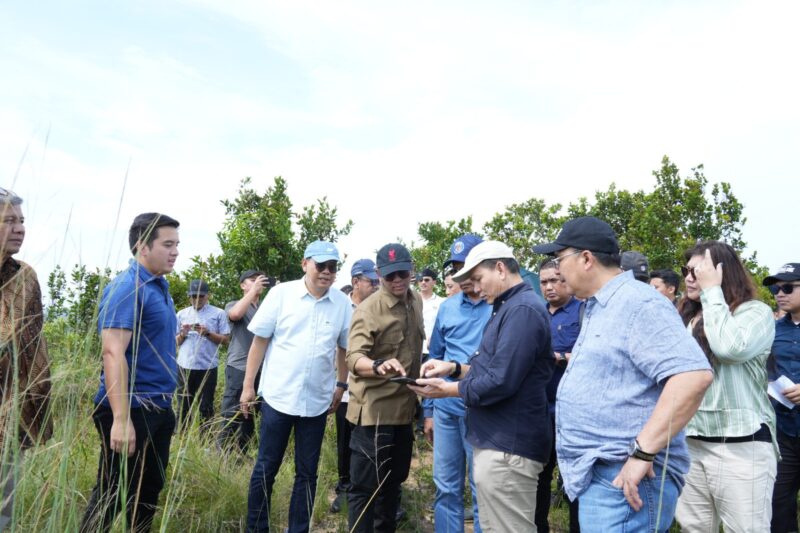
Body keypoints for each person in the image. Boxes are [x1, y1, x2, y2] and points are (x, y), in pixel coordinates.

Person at [532, 216, 712, 533]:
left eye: (560, 260)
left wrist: (643, 453)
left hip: (627, 479)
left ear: (586, 258)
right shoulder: (598, 306)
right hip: (607, 476)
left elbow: (692, 376)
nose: (557, 270)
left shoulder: (638, 303)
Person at [412, 240, 554, 532]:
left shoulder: (522, 310)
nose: (476, 288)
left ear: (500, 268)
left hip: (509, 445)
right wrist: (453, 368)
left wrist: (448, 389)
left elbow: (500, 380)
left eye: (478, 279)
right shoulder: (508, 307)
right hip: (496, 440)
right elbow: (492, 368)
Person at [240, 240, 352, 533]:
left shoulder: (342, 304)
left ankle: (298, 529)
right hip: (279, 397)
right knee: (266, 468)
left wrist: (341, 384)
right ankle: (256, 528)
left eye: (333, 267)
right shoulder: (281, 294)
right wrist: (248, 386)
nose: (327, 273)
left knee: (307, 474)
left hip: (316, 403)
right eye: (321, 266)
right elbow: (260, 341)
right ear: (305, 264)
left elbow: (343, 347)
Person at [80, 212, 181, 533]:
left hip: (158, 407)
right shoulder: (127, 287)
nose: (175, 251)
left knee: (147, 493)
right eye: (167, 244)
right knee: (112, 494)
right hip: (130, 409)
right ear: (142, 246)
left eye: (177, 244)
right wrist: (122, 421)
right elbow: (113, 352)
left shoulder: (158, 286)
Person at [674, 241, 778, 532]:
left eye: (699, 271)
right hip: (691, 442)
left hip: (741, 445)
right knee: (693, 528)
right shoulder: (686, 315)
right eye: (687, 270)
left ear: (722, 274)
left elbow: (729, 349)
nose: (690, 277)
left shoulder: (755, 313)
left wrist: (712, 293)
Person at [345, 243, 424, 533]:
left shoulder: (416, 301)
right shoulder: (368, 310)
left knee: (393, 484)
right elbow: (353, 357)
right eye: (390, 276)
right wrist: (377, 365)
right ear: (379, 275)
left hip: (404, 412)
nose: (397, 281)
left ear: (411, 270)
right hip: (375, 416)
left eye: (402, 273)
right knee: (365, 490)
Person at [422, 235, 490, 532]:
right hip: (446, 410)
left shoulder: (499, 305)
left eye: (467, 267)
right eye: (456, 268)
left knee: (482, 489)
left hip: (485, 411)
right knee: (446, 486)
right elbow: (434, 357)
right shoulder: (448, 308)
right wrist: (428, 411)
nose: (461, 274)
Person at [0, 188, 52, 531]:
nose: (19, 228)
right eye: (9, 220)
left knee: (4, 506)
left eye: (21, 221)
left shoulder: (25, 276)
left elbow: (34, 346)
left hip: (9, 411)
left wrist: (35, 402)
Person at [535, 258, 581, 533]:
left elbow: (592, 355)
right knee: (539, 477)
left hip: (572, 413)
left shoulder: (583, 312)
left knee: (573, 480)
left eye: (556, 280)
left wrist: (561, 357)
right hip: (539, 410)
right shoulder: (536, 313)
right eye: (544, 282)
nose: (550, 287)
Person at [330, 258, 379, 514]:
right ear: (355, 282)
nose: (376, 285)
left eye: (377, 281)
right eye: (371, 281)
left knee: (372, 442)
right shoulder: (339, 306)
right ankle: (345, 488)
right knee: (345, 440)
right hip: (346, 388)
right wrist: (339, 383)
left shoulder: (380, 306)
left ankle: (374, 492)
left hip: (373, 390)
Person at [218, 270, 271, 452]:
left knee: (251, 415)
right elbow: (234, 315)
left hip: (261, 369)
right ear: (243, 285)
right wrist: (252, 292)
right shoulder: (234, 304)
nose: (258, 283)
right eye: (252, 280)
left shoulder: (264, 307)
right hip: (239, 367)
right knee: (232, 411)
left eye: (260, 280)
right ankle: (222, 453)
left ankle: (242, 452)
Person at [764, 263, 800, 532]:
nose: (779, 293)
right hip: (783, 431)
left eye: (787, 287)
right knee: (778, 506)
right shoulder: (773, 330)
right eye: (776, 288)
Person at [175, 280, 230, 426]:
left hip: (208, 367)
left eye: (201, 296)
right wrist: (183, 334)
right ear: (189, 296)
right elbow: (174, 342)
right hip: (184, 366)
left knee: (206, 406)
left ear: (208, 296)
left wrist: (207, 333)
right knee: (183, 405)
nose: (197, 299)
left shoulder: (219, 313)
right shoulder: (181, 314)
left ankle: (205, 441)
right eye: (193, 296)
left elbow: (225, 340)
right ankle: (180, 436)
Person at [418, 268, 442, 355]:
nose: (423, 282)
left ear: (434, 282)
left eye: (426, 280)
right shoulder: (410, 301)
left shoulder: (442, 302)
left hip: (433, 350)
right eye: (420, 280)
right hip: (414, 350)